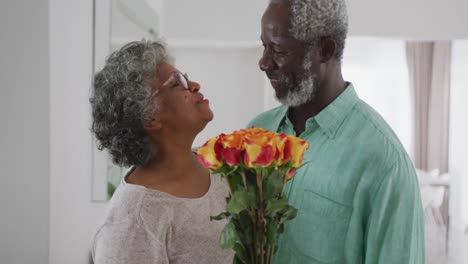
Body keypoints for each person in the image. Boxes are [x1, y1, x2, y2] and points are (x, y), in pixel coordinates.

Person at [248, 0, 425, 263]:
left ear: (325, 50)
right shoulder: (256, 133)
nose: (263, 62)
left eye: (278, 50)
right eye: (264, 46)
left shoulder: (384, 162)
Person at [90, 40, 233, 264]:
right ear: (150, 117)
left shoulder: (218, 163)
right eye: (178, 84)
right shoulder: (130, 223)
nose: (194, 84)